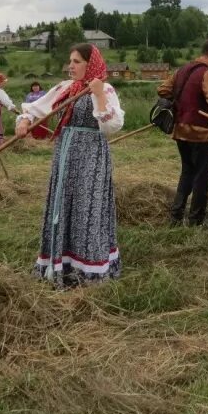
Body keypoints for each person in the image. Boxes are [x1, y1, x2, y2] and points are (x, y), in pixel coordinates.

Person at [16, 43, 124, 287]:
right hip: (65, 154)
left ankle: (89, 269)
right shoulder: (66, 88)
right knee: (62, 203)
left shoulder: (105, 89)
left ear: (90, 63)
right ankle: (60, 264)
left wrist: (97, 95)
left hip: (91, 156)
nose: (70, 66)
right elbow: (36, 108)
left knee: (87, 205)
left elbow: (111, 127)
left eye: (76, 61)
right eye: (70, 61)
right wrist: (24, 121)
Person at [156, 39, 208, 225]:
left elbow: (162, 89)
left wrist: (183, 103)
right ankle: (195, 220)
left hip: (180, 130)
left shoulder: (182, 70)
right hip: (199, 133)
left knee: (187, 172)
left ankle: (176, 216)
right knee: (202, 176)